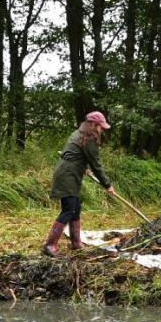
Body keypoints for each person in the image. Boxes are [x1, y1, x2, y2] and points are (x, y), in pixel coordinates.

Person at [43, 110, 117, 257]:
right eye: (100, 126)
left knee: (75, 207)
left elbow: (74, 154)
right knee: (69, 209)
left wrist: (83, 168)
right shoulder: (89, 139)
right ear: (94, 125)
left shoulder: (79, 133)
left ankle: (76, 242)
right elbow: (96, 165)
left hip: (69, 172)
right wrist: (107, 185)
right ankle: (50, 244)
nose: (102, 129)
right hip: (67, 175)